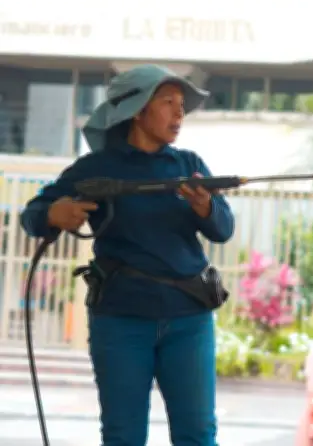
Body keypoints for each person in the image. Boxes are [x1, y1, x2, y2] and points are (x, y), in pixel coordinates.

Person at [20, 64, 235, 446]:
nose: (178, 112)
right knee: (123, 436)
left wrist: (206, 209)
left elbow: (223, 229)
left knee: (198, 434)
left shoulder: (189, 166)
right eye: (167, 102)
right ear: (138, 109)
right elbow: (33, 215)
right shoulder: (96, 169)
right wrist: (53, 213)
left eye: (181, 104)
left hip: (189, 320)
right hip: (120, 321)